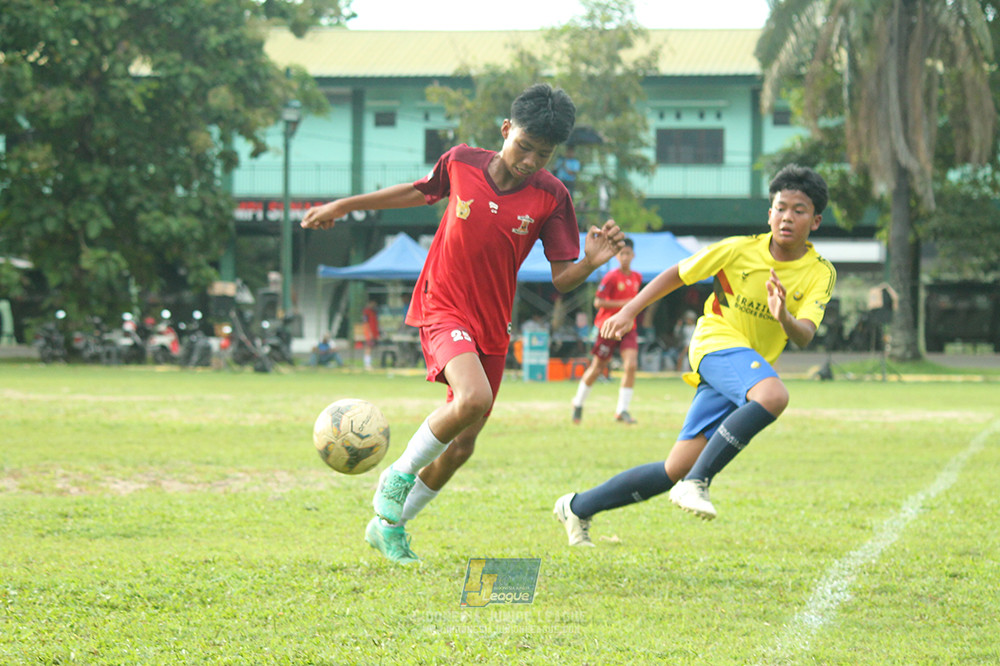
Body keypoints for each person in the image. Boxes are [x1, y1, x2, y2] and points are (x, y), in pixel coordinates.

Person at [302, 83, 625, 564]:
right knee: (474, 398)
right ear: (506, 129)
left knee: (462, 446)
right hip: (443, 303)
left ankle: (389, 527)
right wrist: (343, 206)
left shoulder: (553, 196)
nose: (530, 160)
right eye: (524, 146)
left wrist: (591, 263)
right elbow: (417, 192)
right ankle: (397, 475)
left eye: (543, 154)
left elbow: (562, 278)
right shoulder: (461, 162)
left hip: (492, 323)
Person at [553, 164, 836, 546]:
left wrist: (783, 314)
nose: (787, 217)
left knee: (673, 468)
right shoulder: (737, 249)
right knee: (773, 396)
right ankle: (698, 482)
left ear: (815, 221)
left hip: (744, 370)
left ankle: (577, 506)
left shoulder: (820, 273)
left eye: (799, 211)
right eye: (781, 208)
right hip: (714, 344)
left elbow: (804, 335)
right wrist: (628, 311)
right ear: (769, 213)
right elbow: (677, 274)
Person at [570, 237, 642, 425]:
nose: (625, 257)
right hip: (608, 327)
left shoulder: (637, 277)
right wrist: (623, 304)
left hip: (628, 327)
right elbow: (598, 302)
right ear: (617, 256)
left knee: (631, 365)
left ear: (633, 255)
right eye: (622, 254)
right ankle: (578, 402)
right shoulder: (611, 277)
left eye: (628, 253)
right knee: (597, 368)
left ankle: (622, 410)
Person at [362, 299, 380, 370]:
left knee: (371, 348)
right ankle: (367, 364)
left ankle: (370, 363)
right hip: (369, 333)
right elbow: (365, 323)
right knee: (368, 348)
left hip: (374, 333)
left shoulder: (374, 312)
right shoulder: (366, 312)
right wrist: (369, 332)